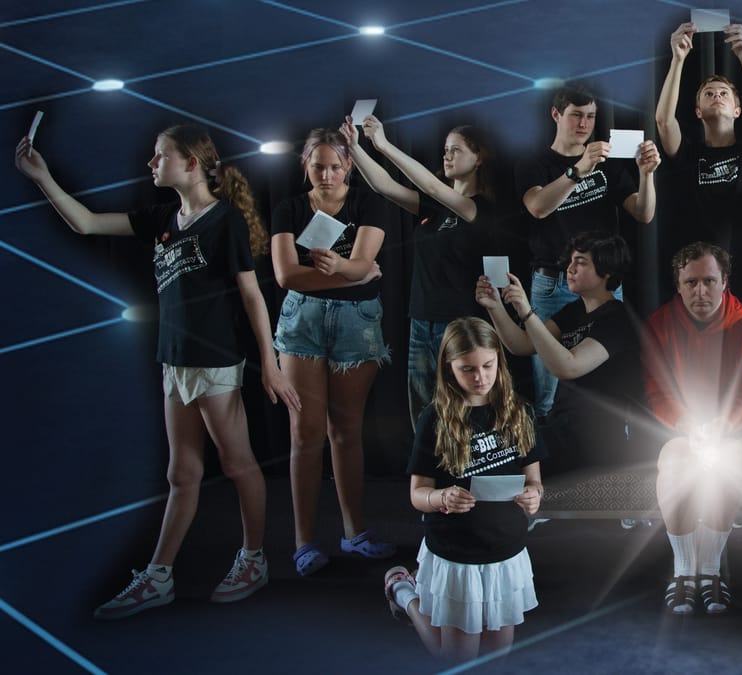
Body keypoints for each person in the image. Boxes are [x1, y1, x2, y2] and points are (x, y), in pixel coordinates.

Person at [15, 126, 300, 619]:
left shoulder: (224, 221)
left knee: (237, 464)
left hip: (214, 363)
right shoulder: (162, 218)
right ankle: (159, 576)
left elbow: (253, 295)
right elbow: (85, 223)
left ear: (191, 163)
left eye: (160, 156)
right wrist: (42, 178)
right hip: (174, 361)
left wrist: (270, 364)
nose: (151, 164)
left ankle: (253, 559)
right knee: (181, 472)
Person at [383, 317, 544, 663]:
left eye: (488, 366)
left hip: (505, 553)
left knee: (496, 656)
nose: (481, 377)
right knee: (458, 659)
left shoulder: (519, 412)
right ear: (448, 368)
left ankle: (408, 593)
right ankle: (406, 595)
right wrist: (442, 497)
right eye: (468, 369)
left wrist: (533, 497)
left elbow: (535, 482)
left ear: (499, 361)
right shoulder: (435, 419)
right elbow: (417, 494)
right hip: (456, 554)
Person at [270, 128, 394, 576]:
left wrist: (347, 269)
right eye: (318, 165)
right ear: (306, 164)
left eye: (336, 165)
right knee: (305, 433)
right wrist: (354, 276)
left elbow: (363, 262)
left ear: (349, 166)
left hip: (356, 324)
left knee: (345, 430)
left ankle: (354, 532)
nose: (327, 174)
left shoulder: (368, 204)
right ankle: (304, 542)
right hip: (301, 320)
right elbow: (286, 276)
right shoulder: (289, 207)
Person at [341, 114, 496, 430]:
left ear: (478, 157)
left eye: (455, 150)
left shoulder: (480, 208)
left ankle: (465, 477)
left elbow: (432, 186)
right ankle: (430, 477)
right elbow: (384, 186)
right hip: (421, 320)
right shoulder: (434, 207)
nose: (446, 156)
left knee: (461, 410)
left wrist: (383, 145)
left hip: (458, 324)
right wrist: (355, 148)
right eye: (445, 150)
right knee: (425, 412)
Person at [515, 84, 660, 421]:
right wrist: (578, 169)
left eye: (590, 116)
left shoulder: (606, 165)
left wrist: (646, 174)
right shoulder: (534, 164)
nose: (584, 124)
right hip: (553, 283)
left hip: (602, 284)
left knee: (605, 378)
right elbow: (538, 207)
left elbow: (644, 212)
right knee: (549, 385)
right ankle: (552, 459)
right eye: (576, 115)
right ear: (556, 115)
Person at [643, 242, 742, 614]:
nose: (701, 292)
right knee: (677, 461)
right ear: (678, 285)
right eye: (691, 282)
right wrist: (686, 425)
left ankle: (711, 570)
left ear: (725, 281)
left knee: (728, 460)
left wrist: (722, 426)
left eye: (710, 281)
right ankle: (684, 571)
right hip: (679, 426)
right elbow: (656, 391)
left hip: (734, 427)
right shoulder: (658, 325)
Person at [476, 231, 642, 476]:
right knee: (488, 450)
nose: (570, 269)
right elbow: (521, 344)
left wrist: (526, 312)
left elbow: (568, 366)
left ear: (606, 272)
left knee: (506, 457)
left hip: (598, 437)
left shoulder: (618, 319)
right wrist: (495, 306)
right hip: (564, 427)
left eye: (581, 263)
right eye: (571, 262)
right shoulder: (574, 310)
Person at [654, 20, 742, 310]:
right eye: (709, 94)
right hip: (699, 277)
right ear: (698, 111)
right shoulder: (688, 153)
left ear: (737, 110)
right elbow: (663, 121)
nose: (717, 96)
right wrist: (678, 58)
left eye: (724, 93)